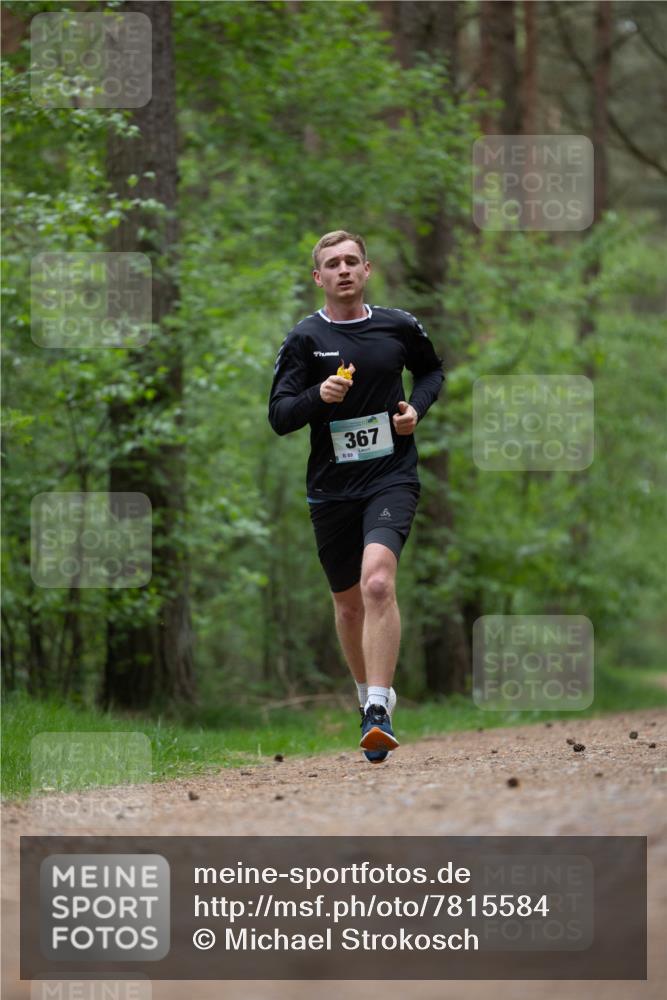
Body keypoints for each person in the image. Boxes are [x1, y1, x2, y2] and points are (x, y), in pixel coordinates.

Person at [268, 230, 444, 762]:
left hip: (391, 476)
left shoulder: (399, 325)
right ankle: (367, 690)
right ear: (317, 278)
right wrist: (317, 397)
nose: (343, 270)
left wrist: (417, 409)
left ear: (367, 270)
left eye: (352, 261)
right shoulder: (303, 339)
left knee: (376, 582)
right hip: (331, 488)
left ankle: (377, 709)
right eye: (332, 263)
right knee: (347, 606)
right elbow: (279, 416)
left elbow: (432, 370)